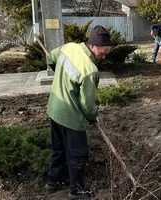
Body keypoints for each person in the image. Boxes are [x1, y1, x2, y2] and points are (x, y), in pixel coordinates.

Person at [45, 25, 112, 200]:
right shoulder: (90, 70)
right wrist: (93, 116)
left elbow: (51, 57)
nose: (103, 57)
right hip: (71, 117)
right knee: (78, 153)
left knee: (58, 148)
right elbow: (87, 104)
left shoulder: (69, 47)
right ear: (92, 46)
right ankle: (76, 191)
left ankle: (53, 181)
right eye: (102, 52)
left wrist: (61, 75)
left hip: (54, 108)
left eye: (107, 53)